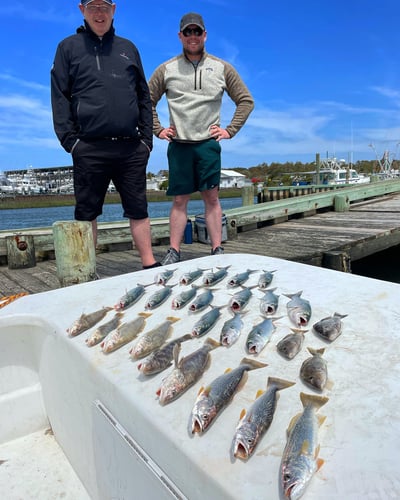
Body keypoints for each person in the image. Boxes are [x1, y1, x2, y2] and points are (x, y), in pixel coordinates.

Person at [50, 0, 160, 269]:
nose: (99, 13)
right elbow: (59, 96)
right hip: (88, 146)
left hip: (131, 147)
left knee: (139, 209)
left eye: (104, 6)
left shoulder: (128, 48)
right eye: (92, 7)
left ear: (113, 9)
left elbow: (143, 97)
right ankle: (87, 269)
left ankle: (149, 263)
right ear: (81, 10)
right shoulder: (68, 47)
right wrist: (70, 141)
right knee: (87, 212)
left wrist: (147, 141)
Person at [148, 12, 254, 265]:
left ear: (205, 35)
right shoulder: (166, 69)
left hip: (208, 145)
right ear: (180, 36)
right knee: (179, 200)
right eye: (188, 32)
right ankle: (174, 251)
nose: (193, 36)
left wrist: (230, 130)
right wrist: (158, 129)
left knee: (212, 198)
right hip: (179, 144)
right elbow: (145, 100)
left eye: (197, 31)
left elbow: (246, 101)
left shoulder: (222, 67)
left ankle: (217, 248)